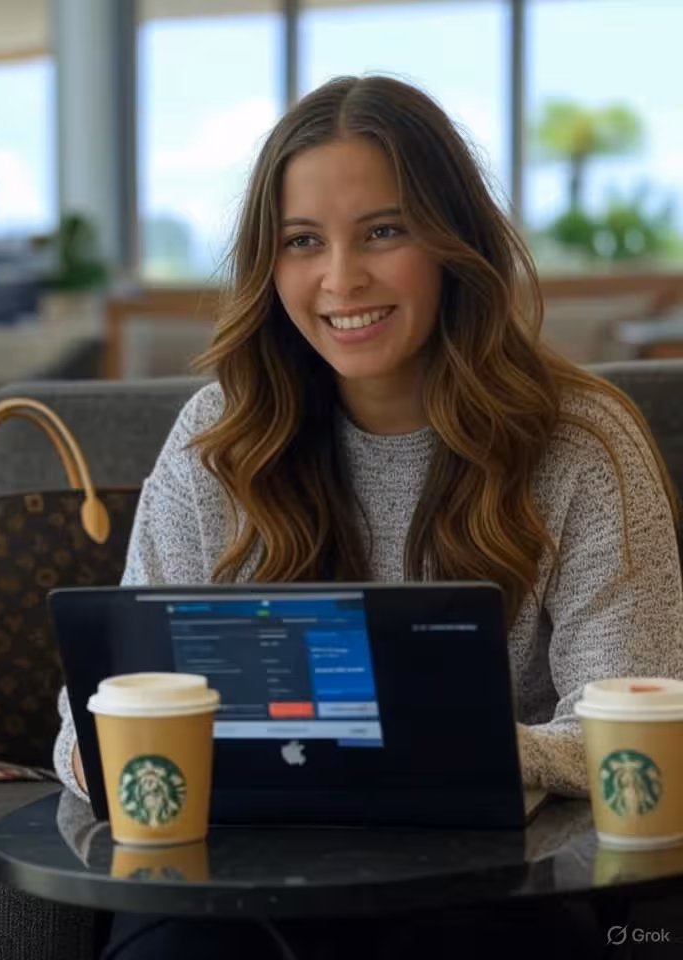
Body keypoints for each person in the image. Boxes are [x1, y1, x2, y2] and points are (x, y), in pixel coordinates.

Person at [53, 74, 683, 958]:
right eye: (303, 241)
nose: (341, 278)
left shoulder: (578, 440)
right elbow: (89, 720)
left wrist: (441, 751)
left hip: (491, 885)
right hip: (235, 895)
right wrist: (107, 750)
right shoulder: (219, 436)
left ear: (452, 242)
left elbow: (636, 735)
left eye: (384, 232)